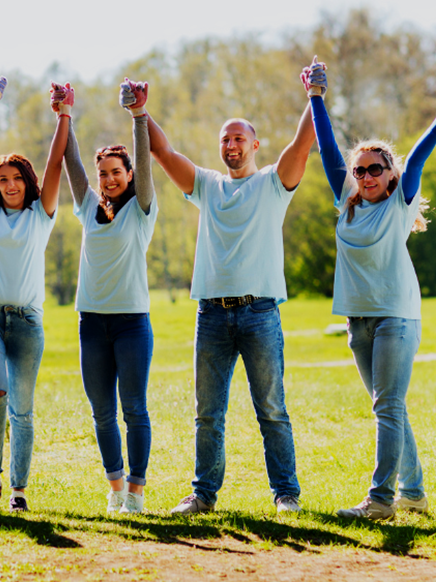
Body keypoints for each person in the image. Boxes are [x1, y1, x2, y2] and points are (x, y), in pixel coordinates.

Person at [146, 63, 316, 514]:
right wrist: (141, 114)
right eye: (225, 138)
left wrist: (314, 95)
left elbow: (303, 143)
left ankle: (286, 494)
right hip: (212, 315)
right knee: (208, 414)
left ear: (255, 145)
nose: (231, 144)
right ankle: (203, 495)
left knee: (272, 410)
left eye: (239, 137)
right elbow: (162, 152)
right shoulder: (207, 185)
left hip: (260, 312)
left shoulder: (273, 184)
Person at [307, 58, 436, 520]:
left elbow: (421, 154)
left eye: (375, 169)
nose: (367, 176)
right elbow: (328, 149)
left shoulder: (400, 204)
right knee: (387, 407)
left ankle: (381, 499)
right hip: (358, 320)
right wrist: (315, 99)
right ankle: (415, 492)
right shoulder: (346, 204)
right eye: (361, 170)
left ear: (391, 174)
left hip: (396, 316)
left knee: (388, 406)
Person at [0, 77, 68, 512]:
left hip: (27, 320)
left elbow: (56, 162)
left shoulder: (40, 214)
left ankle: (19, 491)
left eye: (16, 179)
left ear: (27, 182)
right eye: (2, 180)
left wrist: (64, 115)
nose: (9, 185)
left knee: (22, 410)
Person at [60, 79, 157, 514]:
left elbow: (145, 160)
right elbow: (71, 160)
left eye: (117, 172)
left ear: (130, 175)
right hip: (92, 324)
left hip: (132, 323)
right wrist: (64, 114)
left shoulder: (141, 210)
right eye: (104, 173)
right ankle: (115, 486)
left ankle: (136, 491)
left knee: (134, 408)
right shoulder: (87, 208)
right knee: (102, 412)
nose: (109, 178)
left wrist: (138, 116)